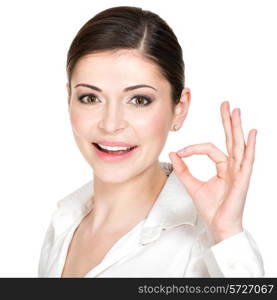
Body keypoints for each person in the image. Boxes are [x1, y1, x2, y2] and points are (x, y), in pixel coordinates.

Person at [38, 5, 264, 277]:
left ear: (179, 108)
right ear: (69, 99)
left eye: (139, 100)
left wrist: (227, 233)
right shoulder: (63, 222)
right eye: (90, 98)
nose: (111, 124)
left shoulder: (206, 243)